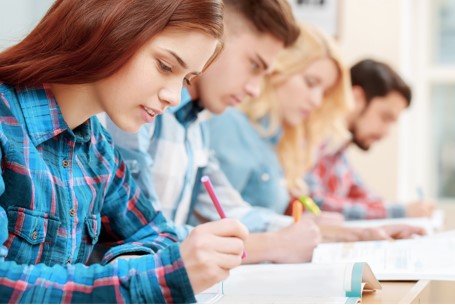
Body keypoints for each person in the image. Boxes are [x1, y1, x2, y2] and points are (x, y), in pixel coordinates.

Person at [0, 0, 249, 303]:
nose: (173, 96)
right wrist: (149, 280)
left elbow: (158, 234)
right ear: (110, 27)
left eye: (186, 80)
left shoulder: (99, 151)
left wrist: (130, 266)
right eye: (165, 66)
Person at [107, 0, 322, 264]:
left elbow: (232, 211)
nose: (255, 89)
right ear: (215, 37)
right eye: (254, 65)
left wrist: (304, 231)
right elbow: (144, 233)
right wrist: (270, 246)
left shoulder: (195, 124)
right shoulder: (136, 108)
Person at [206, 24, 427, 242]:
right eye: (311, 83)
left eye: (324, 91)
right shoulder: (231, 125)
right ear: (277, 71)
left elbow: (259, 220)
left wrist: (351, 233)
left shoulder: (278, 142)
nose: (316, 101)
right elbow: (216, 224)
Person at [305, 59, 436, 220]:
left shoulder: (338, 149)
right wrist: (401, 212)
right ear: (356, 98)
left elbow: (362, 195)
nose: (386, 132)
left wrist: (409, 211)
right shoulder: (309, 138)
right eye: (385, 117)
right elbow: (313, 203)